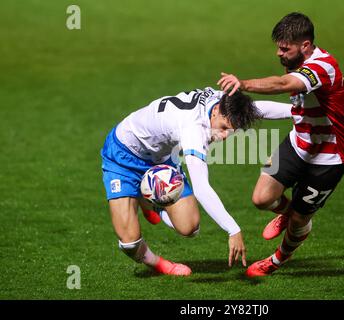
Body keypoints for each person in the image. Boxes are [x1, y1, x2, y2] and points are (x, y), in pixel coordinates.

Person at [218, 12, 344, 277]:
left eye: (285, 48)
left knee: (299, 222)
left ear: (305, 45)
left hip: (330, 156)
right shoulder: (296, 61)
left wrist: (243, 84)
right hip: (300, 142)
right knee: (262, 198)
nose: (279, 54)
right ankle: (290, 212)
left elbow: (283, 84)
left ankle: (277, 260)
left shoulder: (322, 67)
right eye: (278, 48)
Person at [100, 87, 261, 276]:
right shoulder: (193, 128)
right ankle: (160, 264)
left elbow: (259, 108)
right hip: (123, 155)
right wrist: (233, 230)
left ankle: (149, 200)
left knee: (189, 228)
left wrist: (296, 113)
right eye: (224, 128)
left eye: (231, 131)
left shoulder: (225, 101)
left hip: (161, 159)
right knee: (130, 243)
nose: (225, 136)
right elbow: (201, 188)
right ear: (216, 110)